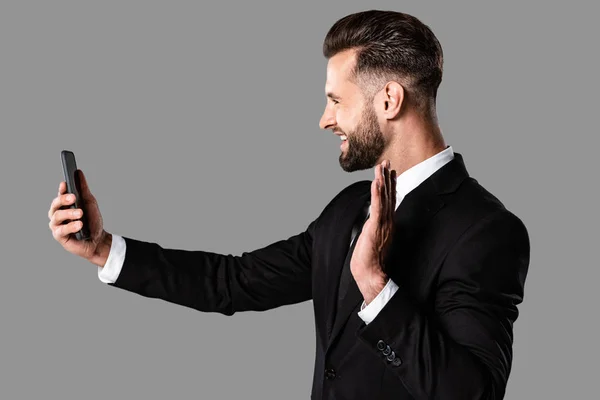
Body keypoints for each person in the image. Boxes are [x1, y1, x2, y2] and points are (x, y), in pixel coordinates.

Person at [48, 9, 530, 400]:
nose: (324, 120)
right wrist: (103, 250)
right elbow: (233, 283)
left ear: (389, 99)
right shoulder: (347, 209)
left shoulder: (487, 230)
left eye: (336, 101)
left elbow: (474, 394)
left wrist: (375, 285)